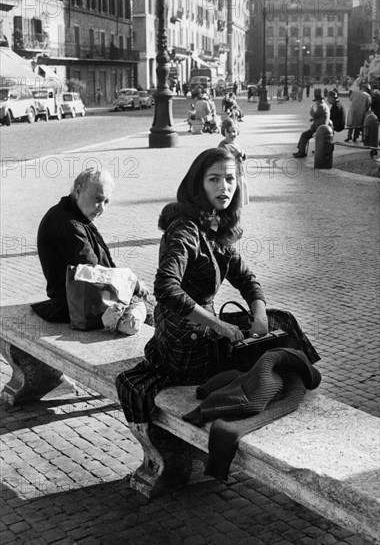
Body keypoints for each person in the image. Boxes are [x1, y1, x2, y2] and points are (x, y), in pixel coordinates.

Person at [116, 148, 320, 427]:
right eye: (214, 179)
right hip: (184, 343)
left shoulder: (214, 227)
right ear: (197, 183)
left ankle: (282, 383)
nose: (223, 186)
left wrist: (258, 316)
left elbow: (247, 279)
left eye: (230, 179)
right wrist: (218, 325)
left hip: (206, 333)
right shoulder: (185, 230)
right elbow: (165, 288)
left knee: (278, 320)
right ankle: (276, 389)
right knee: (269, 344)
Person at [32, 167, 148, 323]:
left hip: (78, 301)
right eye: (97, 199)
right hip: (78, 308)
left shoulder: (68, 214)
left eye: (106, 201)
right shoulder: (70, 225)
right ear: (78, 191)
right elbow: (94, 273)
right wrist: (134, 285)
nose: (102, 207)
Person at [218, 118, 249, 206]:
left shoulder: (236, 144)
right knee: (234, 190)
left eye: (234, 131)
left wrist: (243, 154)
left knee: (242, 187)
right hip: (230, 174)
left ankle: (239, 205)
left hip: (239, 171)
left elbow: (241, 158)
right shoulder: (223, 145)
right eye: (229, 132)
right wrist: (234, 155)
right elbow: (221, 159)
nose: (232, 134)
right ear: (224, 132)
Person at [293, 89, 330, 158]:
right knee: (305, 135)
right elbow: (319, 116)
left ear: (319, 101)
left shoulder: (321, 106)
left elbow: (315, 114)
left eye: (316, 101)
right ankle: (301, 151)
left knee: (304, 135)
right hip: (321, 127)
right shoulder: (325, 106)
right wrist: (313, 119)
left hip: (319, 128)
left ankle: (301, 152)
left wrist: (311, 110)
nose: (315, 103)